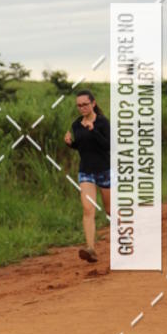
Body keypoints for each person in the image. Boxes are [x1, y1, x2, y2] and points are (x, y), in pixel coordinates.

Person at [64, 88, 111, 263]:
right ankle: (90, 249)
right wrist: (71, 144)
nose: (82, 108)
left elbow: (108, 146)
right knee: (88, 209)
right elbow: (83, 146)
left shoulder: (102, 123)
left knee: (110, 210)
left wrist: (94, 131)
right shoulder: (76, 124)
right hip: (86, 172)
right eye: (79, 105)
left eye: (85, 104)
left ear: (93, 103)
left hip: (105, 171)